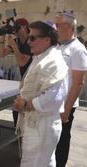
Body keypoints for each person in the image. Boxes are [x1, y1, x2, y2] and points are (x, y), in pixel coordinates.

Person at [14, 21, 68, 167]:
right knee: (43, 162)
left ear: (47, 39)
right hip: (36, 123)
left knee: (34, 163)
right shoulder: (41, 57)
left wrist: (25, 104)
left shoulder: (53, 61)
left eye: (32, 38)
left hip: (42, 125)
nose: (28, 42)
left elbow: (54, 98)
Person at [55, 11, 87, 167]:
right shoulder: (59, 46)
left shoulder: (78, 50)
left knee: (62, 140)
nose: (55, 28)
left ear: (68, 26)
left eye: (57, 25)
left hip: (65, 105)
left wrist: (66, 109)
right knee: (54, 139)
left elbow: (78, 82)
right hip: (54, 103)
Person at [0, 18, 33, 127]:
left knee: (26, 110)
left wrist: (14, 46)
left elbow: (22, 62)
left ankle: (24, 134)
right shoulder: (17, 41)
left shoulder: (30, 41)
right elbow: (1, 54)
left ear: (24, 27)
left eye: (16, 28)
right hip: (24, 79)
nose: (15, 31)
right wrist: (3, 38)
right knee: (16, 108)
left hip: (32, 80)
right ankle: (17, 131)